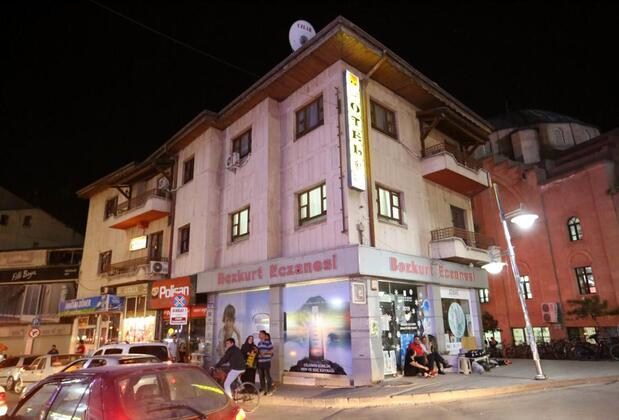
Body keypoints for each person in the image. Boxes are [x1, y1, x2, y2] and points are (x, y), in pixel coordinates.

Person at [257, 330, 274, 395]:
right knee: (261, 377)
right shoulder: (259, 343)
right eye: (259, 334)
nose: (259, 335)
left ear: (264, 335)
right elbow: (259, 352)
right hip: (260, 362)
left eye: (260, 334)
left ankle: (269, 391)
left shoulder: (268, 342)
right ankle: (263, 390)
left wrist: (265, 352)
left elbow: (271, 352)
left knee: (267, 376)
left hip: (266, 362)